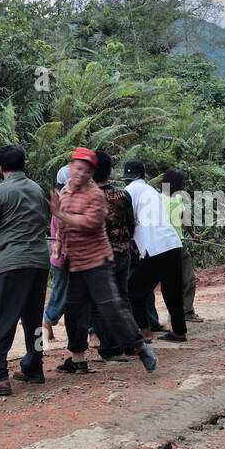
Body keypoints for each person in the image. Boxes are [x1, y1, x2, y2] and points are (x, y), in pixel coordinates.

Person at [52, 148, 156, 373]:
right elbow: (62, 226)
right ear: (70, 168)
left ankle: (140, 347)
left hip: (98, 261)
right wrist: (59, 245)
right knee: (74, 311)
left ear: (92, 174)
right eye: (78, 168)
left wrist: (62, 216)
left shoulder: (95, 195)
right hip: (75, 262)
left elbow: (90, 222)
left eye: (87, 170)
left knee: (111, 306)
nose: (81, 173)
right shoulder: (65, 194)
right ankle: (77, 359)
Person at [0, 144, 51, 396]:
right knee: (34, 320)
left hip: (12, 263)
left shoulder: (1, 191)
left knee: (0, 319)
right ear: (25, 165)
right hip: (39, 262)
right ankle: (34, 366)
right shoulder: (37, 189)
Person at [124, 159, 187, 343]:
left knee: (134, 291)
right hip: (173, 242)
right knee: (172, 290)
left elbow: (128, 220)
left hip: (155, 247)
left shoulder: (128, 192)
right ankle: (179, 332)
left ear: (126, 179)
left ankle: (145, 332)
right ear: (143, 175)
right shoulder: (152, 191)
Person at [90, 150, 138, 359]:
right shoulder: (123, 195)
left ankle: (111, 348)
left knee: (99, 304)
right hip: (122, 252)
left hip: (100, 256)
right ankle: (130, 344)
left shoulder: (89, 196)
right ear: (110, 171)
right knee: (122, 299)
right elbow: (131, 223)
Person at [161, 167, 202, 323]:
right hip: (170, 246)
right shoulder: (163, 199)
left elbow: (183, 219)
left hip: (174, 244)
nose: (183, 186)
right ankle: (182, 312)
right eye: (182, 183)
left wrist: (192, 235)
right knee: (181, 280)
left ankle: (184, 311)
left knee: (182, 279)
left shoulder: (173, 198)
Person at [42, 165, 71, 342]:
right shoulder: (65, 204)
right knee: (61, 294)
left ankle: (48, 323)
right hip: (63, 258)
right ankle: (47, 322)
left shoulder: (62, 202)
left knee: (62, 293)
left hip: (63, 257)